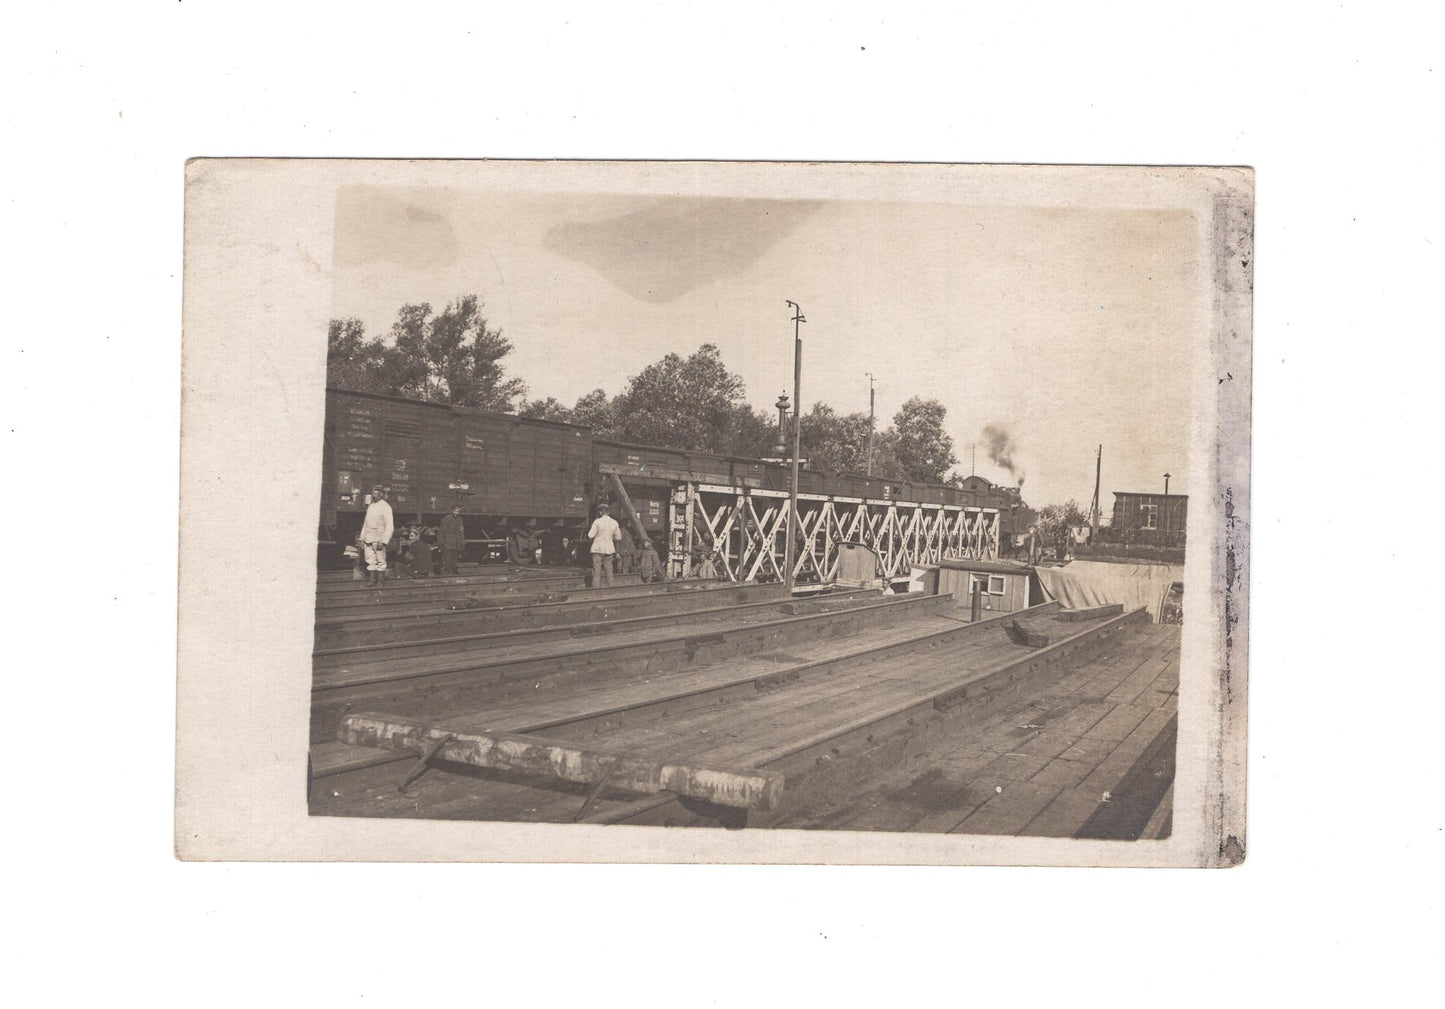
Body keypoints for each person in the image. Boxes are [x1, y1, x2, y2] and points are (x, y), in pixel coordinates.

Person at [359, 487, 394, 587]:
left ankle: (380, 581)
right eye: (372, 493)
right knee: (370, 560)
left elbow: (389, 525)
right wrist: (362, 538)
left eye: (376, 493)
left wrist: (384, 541)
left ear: (381, 494)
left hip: (379, 538)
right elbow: (365, 523)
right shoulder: (371, 506)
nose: (373, 495)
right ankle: (372, 580)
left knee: (381, 560)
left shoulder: (386, 507)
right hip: (368, 538)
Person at [585, 502, 621, 587]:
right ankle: (611, 587)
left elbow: (590, 535)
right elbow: (619, 537)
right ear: (608, 512)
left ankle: (596, 588)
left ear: (600, 512)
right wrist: (609, 538)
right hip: (609, 549)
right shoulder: (614, 522)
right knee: (609, 569)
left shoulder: (597, 522)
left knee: (597, 570)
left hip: (597, 549)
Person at [439, 504, 465, 576]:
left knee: (454, 558)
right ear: (452, 510)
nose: (457, 513)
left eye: (458, 511)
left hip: (456, 542)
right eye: (456, 511)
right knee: (447, 558)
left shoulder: (460, 519)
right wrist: (441, 543)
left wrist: (462, 542)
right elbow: (442, 532)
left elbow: (462, 531)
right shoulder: (446, 519)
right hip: (448, 542)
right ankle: (447, 571)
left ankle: (453, 571)